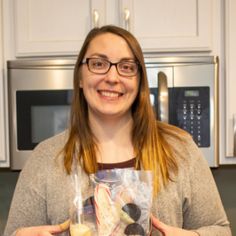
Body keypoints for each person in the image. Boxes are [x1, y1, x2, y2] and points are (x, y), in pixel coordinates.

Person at [4, 25, 231, 236]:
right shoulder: (45, 158)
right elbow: (15, 232)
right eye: (99, 64)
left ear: (139, 80)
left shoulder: (181, 150)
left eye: (126, 67)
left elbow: (220, 229)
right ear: (80, 77)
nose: (112, 77)